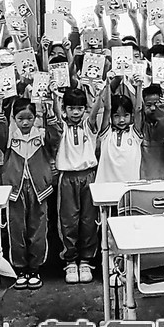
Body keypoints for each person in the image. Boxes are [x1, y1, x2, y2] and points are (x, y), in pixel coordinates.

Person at [0, 97, 60, 290]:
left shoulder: (41, 135)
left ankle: (34, 269)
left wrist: (50, 113)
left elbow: (55, 138)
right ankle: (20, 268)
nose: (25, 123)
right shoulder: (10, 137)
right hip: (15, 190)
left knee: (38, 229)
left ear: (35, 118)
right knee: (16, 230)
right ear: (14, 119)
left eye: (29, 118)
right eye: (20, 118)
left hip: (38, 189)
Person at [53, 87, 100, 284]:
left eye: (79, 108)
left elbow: (95, 111)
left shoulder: (88, 126)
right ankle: (70, 260)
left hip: (88, 177)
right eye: (71, 108)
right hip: (67, 178)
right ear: (65, 109)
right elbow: (56, 114)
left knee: (89, 220)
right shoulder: (62, 127)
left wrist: (101, 91)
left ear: (84, 109)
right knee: (68, 220)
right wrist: (54, 95)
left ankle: (86, 260)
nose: (75, 112)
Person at [95, 81, 143, 183]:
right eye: (117, 116)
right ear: (111, 117)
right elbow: (107, 108)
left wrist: (139, 87)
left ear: (131, 115)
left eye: (126, 115)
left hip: (130, 186)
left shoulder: (134, 134)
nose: (121, 120)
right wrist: (108, 85)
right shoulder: (107, 133)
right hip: (106, 186)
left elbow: (138, 110)